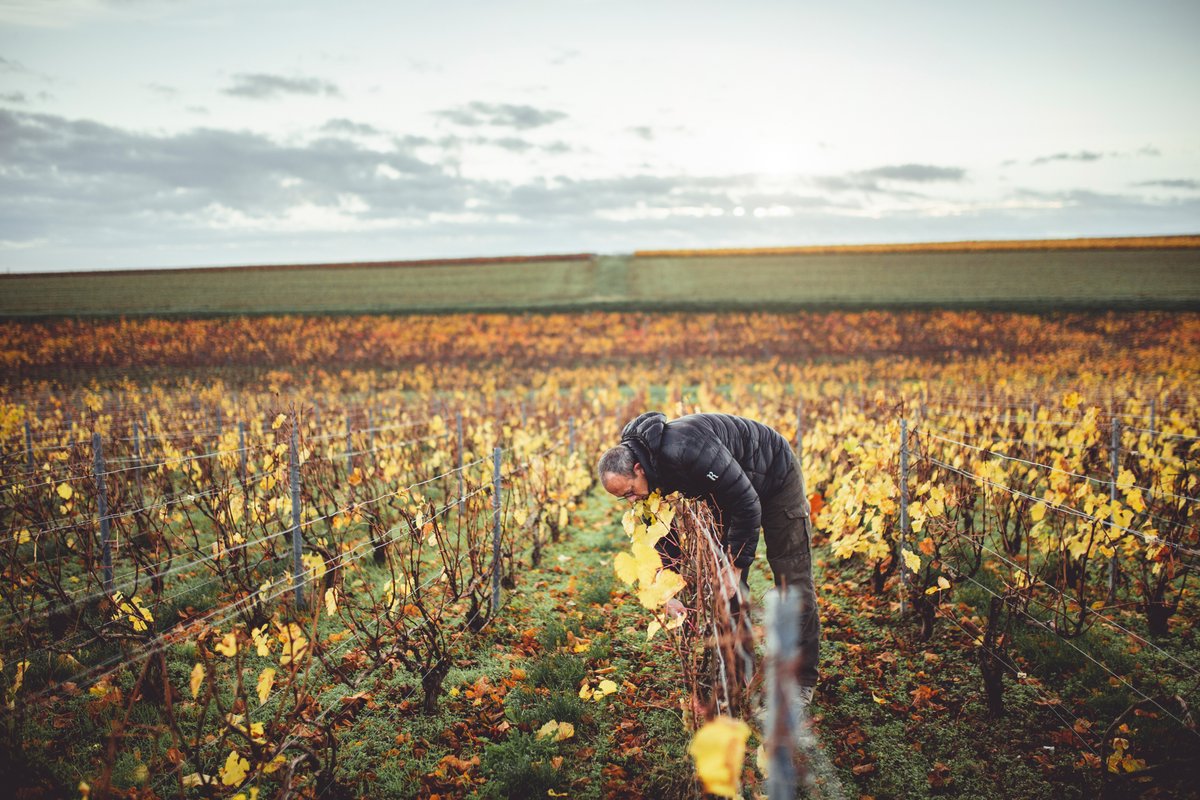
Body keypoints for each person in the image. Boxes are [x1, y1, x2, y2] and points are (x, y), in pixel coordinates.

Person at [597, 411, 820, 704]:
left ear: (638, 469)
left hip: (774, 475)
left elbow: (747, 501)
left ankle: (802, 678)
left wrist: (737, 565)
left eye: (628, 492)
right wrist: (669, 587)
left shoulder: (685, 450)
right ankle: (743, 672)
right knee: (725, 585)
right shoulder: (647, 473)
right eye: (621, 498)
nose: (630, 501)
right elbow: (663, 531)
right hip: (728, 490)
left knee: (791, 577)